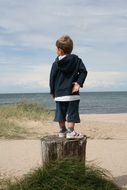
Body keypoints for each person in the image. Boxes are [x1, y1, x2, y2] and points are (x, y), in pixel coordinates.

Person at [49, 35, 87, 139]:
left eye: (56, 48)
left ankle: (63, 130)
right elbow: (83, 71)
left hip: (60, 93)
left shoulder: (55, 63)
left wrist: (53, 92)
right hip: (72, 93)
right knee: (72, 112)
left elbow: (52, 79)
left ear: (60, 50)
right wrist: (78, 83)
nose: (55, 50)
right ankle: (70, 131)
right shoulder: (76, 60)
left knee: (60, 112)